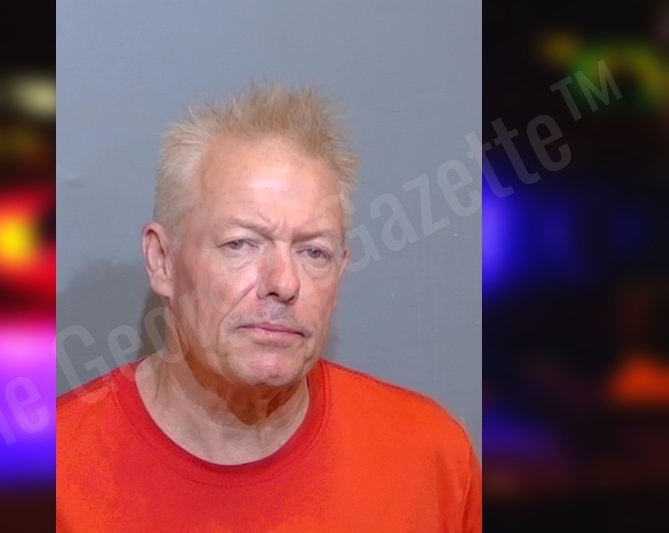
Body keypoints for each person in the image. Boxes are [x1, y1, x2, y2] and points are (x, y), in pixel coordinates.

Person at [56, 83, 481, 532]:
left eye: (313, 252)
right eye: (241, 243)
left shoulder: (429, 459)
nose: (284, 283)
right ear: (162, 260)